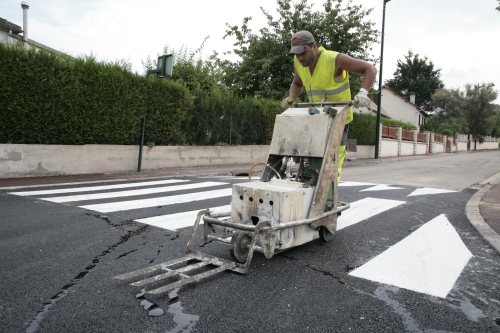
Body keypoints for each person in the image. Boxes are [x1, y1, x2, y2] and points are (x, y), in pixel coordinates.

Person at [281, 30, 377, 181]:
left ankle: (328, 199)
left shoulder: (334, 59)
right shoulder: (299, 63)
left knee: (332, 162)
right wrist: (291, 97)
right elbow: (297, 83)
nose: (300, 58)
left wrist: (363, 93)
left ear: (314, 46)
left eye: (302, 52)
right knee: (311, 158)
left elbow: (369, 69)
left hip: (338, 119)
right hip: (317, 119)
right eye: (296, 54)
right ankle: (309, 193)